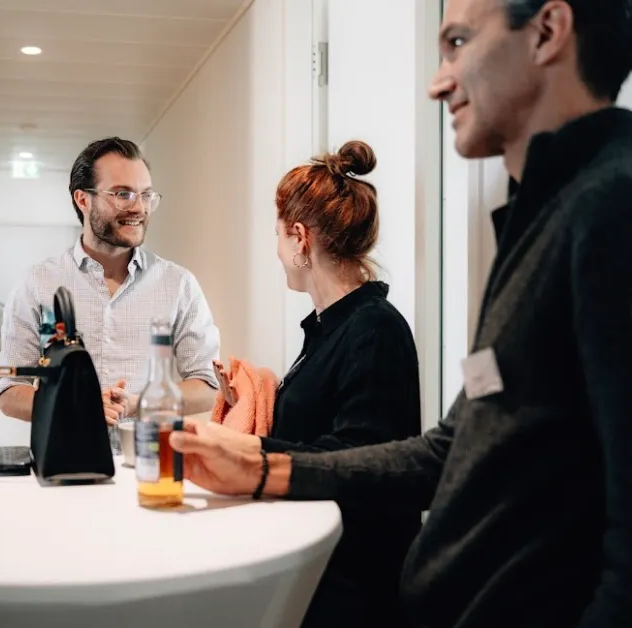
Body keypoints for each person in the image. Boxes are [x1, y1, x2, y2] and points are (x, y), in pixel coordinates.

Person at [168, 0, 632, 626]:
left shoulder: (611, 208)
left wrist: (265, 462)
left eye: (458, 42)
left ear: (548, 31)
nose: (439, 82)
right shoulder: (542, 220)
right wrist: (260, 464)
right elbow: (446, 450)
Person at [211, 140, 421, 627]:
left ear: (300, 239)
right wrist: (250, 397)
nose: (278, 252)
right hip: (322, 565)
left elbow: (359, 454)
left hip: (357, 588)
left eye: (279, 236)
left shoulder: (374, 329)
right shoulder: (329, 329)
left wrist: (242, 451)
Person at [0, 137, 220, 445]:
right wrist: (74, 406)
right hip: (63, 466)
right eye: (122, 194)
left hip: (150, 466)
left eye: (146, 195)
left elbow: (207, 386)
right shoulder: (38, 284)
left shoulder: (178, 284)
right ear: (83, 200)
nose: (139, 208)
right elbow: (9, 390)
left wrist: (136, 403)